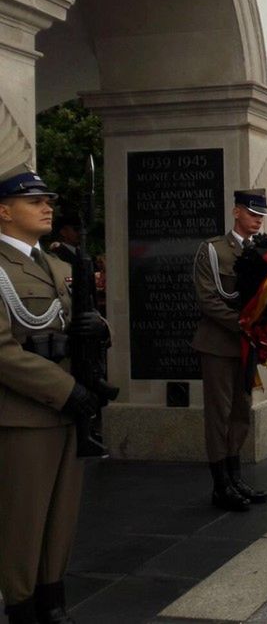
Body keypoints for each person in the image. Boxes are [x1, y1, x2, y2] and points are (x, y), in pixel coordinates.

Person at [0, 164, 108, 624]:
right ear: (4, 212)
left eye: (48, 201)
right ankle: (22, 605)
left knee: (60, 516)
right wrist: (68, 391)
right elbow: (2, 352)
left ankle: (52, 598)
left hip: (68, 409)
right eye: (34, 201)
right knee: (22, 520)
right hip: (23, 415)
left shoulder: (61, 266)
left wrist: (98, 329)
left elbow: (80, 327)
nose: (47, 207)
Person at [192, 188, 267, 512]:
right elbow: (208, 299)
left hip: (246, 345)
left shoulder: (263, 252)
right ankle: (220, 483)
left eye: (261, 217)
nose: (257, 222)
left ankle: (235, 477)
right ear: (236, 212)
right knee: (219, 414)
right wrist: (242, 325)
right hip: (219, 344)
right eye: (252, 215)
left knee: (241, 410)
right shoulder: (212, 251)